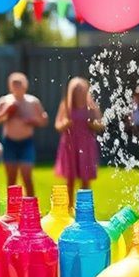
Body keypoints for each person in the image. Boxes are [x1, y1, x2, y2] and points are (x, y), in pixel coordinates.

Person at [0, 72, 48, 197]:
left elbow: (44, 120)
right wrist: (5, 112)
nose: (16, 87)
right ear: (10, 86)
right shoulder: (5, 101)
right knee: (11, 179)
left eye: (19, 83)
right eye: (14, 84)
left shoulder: (33, 101)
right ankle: (12, 210)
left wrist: (32, 121)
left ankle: (31, 208)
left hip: (26, 142)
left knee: (27, 176)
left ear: (25, 86)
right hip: (9, 142)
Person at [54, 77, 103, 205]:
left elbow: (101, 125)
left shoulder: (91, 107)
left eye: (81, 90)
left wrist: (92, 125)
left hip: (86, 145)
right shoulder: (66, 106)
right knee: (70, 179)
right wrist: (65, 124)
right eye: (76, 90)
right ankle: (69, 207)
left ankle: (85, 207)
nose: (79, 93)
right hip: (70, 145)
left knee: (85, 178)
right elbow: (58, 125)